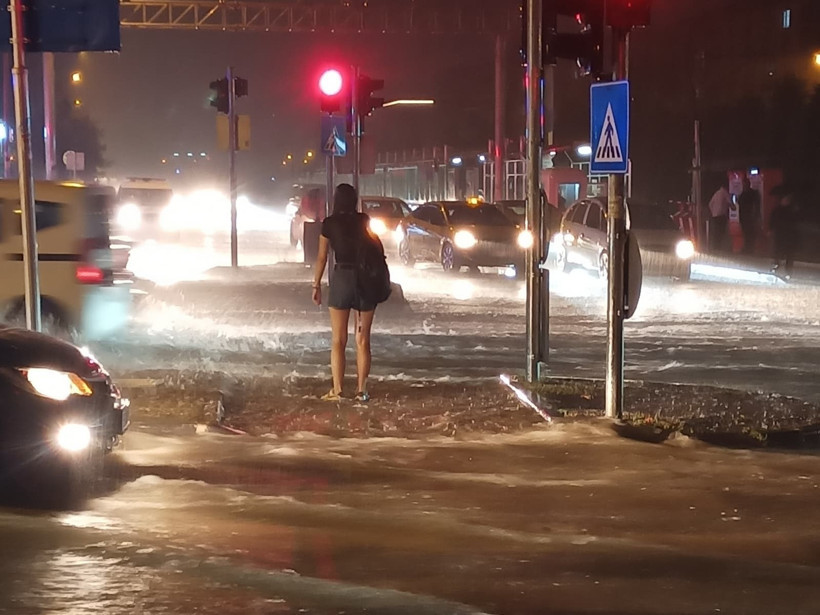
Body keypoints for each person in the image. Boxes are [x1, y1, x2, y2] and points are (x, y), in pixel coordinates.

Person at [311, 183, 377, 402]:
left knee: (338, 340)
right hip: (365, 282)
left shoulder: (329, 224)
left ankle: (338, 390)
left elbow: (322, 257)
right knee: (363, 339)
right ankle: (362, 391)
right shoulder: (364, 220)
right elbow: (375, 246)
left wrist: (316, 285)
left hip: (341, 278)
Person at [769, 187, 799, 279]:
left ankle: (788, 271)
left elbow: (795, 221)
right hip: (780, 233)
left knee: (789, 253)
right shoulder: (778, 210)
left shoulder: (792, 210)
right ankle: (776, 265)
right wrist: (771, 229)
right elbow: (773, 220)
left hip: (789, 234)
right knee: (778, 250)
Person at [737, 176, 761, 254]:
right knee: (747, 233)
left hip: (749, 217)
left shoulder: (752, 193)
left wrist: (756, 216)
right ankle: (748, 248)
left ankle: (749, 248)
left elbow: (756, 206)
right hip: (745, 217)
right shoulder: (744, 194)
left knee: (750, 233)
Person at [707, 180, 732, 252]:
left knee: (716, 232)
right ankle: (718, 248)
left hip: (715, 216)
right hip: (721, 216)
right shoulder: (725, 193)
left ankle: (715, 247)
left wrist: (713, 212)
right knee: (721, 232)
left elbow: (710, 204)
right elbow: (731, 204)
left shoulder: (717, 193)